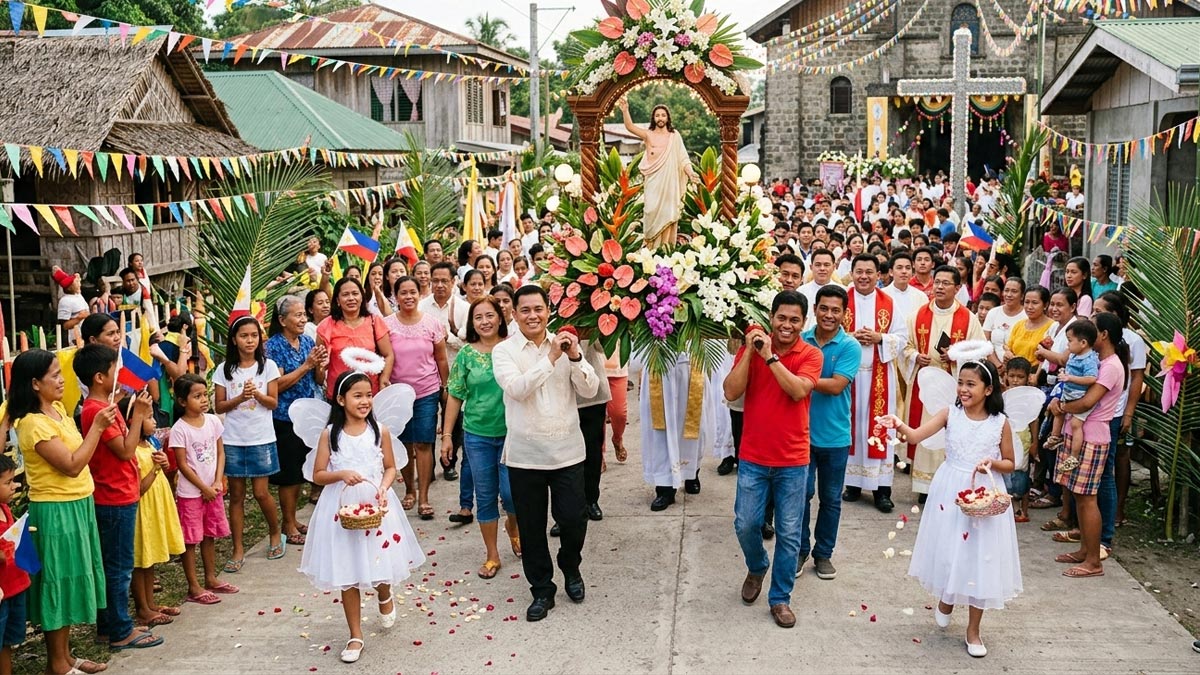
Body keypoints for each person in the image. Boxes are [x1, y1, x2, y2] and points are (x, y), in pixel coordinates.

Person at [880, 359, 1021, 658]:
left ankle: (973, 630)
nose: (963, 389)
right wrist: (898, 423)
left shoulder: (1000, 422)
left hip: (983, 491)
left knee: (981, 557)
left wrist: (991, 463)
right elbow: (916, 436)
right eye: (961, 383)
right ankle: (947, 595)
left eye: (971, 384)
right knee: (950, 549)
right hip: (950, 488)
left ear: (988, 389)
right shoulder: (950, 414)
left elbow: (1011, 463)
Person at [9, 349, 125, 674]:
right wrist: (98, 428)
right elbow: (72, 465)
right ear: (34, 384)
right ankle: (57, 663)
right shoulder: (32, 423)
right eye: (55, 375)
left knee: (71, 580)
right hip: (55, 511)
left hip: (78, 504)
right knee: (57, 583)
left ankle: (66, 656)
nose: (62, 381)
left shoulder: (58, 409)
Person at [299, 371, 425, 664]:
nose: (365, 400)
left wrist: (382, 487)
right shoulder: (330, 434)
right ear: (341, 400)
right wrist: (341, 474)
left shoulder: (378, 430)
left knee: (378, 561)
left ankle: (384, 592)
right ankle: (355, 634)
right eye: (358, 395)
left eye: (369, 394)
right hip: (340, 508)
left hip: (376, 503)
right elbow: (317, 474)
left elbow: (391, 467)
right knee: (347, 571)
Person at [492, 285, 599, 622]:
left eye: (538, 309)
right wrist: (550, 357)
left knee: (572, 520)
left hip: (567, 451)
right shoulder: (504, 351)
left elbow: (590, 389)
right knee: (533, 527)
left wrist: (575, 357)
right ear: (514, 313)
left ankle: (571, 567)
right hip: (526, 456)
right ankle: (541, 589)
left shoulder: (565, 344)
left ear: (548, 311)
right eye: (525, 310)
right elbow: (518, 389)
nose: (532, 316)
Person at [722, 290, 823, 628]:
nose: (787, 325)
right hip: (753, 455)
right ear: (771, 317)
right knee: (745, 523)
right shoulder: (751, 351)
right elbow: (731, 391)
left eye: (795, 320)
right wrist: (751, 354)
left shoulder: (811, 353)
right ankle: (756, 565)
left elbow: (797, 391)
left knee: (790, 532)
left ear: (803, 323)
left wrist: (769, 357)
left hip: (793, 459)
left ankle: (780, 598)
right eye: (782, 318)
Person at [74, 344, 158, 651]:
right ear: (99, 377)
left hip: (119, 494)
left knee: (113, 564)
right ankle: (120, 629)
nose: (120, 375)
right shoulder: (95, 411)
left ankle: (109, 626)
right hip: (114, 497)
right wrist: (137, 417)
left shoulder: (101, 406)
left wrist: (124, 404)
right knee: (119, 567)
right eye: (114, 370)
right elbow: (125, 450)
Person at [442, 296, 520, 578]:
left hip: (513, 434)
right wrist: (447, 435)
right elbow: (455, 395)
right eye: (478, 317)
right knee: (485, 496)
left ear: (500, 317)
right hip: (477, 436)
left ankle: (514, 526)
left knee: (512, 495)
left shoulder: (513, 349)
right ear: (471, 322)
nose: (485, 321)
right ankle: (492, 555)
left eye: (490, 315)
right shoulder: (466, 355)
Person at [1050, 312, 1126, 578]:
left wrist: (1060, 407)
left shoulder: (1112, 366)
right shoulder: (1095, 360)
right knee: (1079, 495)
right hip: (1078, 431)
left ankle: (1093, 561)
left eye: (1093, 328)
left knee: (1087, 498)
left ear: (1103, 335)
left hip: (1092, 437)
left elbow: (1086, 402)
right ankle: (1085, 550)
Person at [905, 266, 985, 498]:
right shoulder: (918, 314)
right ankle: (924, 487)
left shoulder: (967, 319)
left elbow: (978, 351)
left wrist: (956, 355)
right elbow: (906, 346)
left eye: (945, 283)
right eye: (936, 282)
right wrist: (915, 356)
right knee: (926, 431)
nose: (939, 287)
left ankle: (949, 483)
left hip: (954, 385)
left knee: (951, 432)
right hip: (924, 383)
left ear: (957, 288)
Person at [798, 285, 861, 580]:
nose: (829, 315)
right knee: (800, 495)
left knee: (831, 499)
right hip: (800, 434)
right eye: (824, 308)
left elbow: (837, 386)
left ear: (844, 314)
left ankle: (823, 554)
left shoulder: (849, 346)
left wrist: (803, 380)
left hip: (835, 436)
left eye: (836, 310)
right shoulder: (801, 340)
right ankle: (799, 551)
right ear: (815, 309)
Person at [212, 316, 284, 568]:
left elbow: (273, 402)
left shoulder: (269, 367)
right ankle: (238, 548)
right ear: (234, 340)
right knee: (237, 496)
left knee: (262, 492)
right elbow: (219, 405)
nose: (250, 340)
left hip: (261, 437)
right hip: (233, 438)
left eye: (254, 335)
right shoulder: (224, 370)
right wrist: (240, 397)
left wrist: (258, 396)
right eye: (244, 336)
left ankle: (276, 532)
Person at [842, 255, 908, 513]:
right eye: (859, 271)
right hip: (849, 376)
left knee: (879, 429)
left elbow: (902, 337)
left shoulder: (888, 303)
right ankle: (853, 484)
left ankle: (882, 490)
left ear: (878, 274)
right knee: (852, 429)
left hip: (879, 376)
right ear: (852, 273)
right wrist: (850, 336)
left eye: (869, 272)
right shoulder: (842, 299)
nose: (864, 276)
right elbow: (826, 329)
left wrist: (880, 337)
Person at [381, 277, 449, 520]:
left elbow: (441, 358)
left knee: (423, 443)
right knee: (405, 444)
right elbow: (383, 356)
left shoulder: (432, 323)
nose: (408, 297)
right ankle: (409, 489)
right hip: (397, 395)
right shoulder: (385, 324)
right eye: (403, 293)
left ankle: (424, 497)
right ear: (395, 296)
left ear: (420, 294)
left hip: (426, 391)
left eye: (413, 292)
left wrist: (445, 387)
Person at [266, 296, 327, 546]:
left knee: (302, 472)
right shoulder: (273, 347)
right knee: (289, 475)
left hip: (308, 414)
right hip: (285, 417)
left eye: (304, 314)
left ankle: (291, 519)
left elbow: (318, 380)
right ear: (282, 320)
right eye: (297, 315)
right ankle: (288, 524)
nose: (303, 319)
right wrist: (307, 365)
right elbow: (276, 385)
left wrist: (320, 364)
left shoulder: (307, 341)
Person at [170, 374, 234, 605]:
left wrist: (217, 481)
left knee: (209, 535)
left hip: (212, 490)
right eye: (197, 396)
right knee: (190, 539)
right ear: (182, 401)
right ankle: (193, 585)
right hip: (191, 494)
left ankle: (210, 577)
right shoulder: (179, 429)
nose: (204, 400)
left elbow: (220, 453)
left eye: (205, 394)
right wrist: (203, 488)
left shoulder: (213, 421)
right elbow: (182, 464)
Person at [128, 396, 184, 629]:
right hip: (143, 509)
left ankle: (151, 604)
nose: (154, 422)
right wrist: (155, 469)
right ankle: (142, 608)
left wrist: (164, 465)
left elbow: (165, 470)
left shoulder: (149, 443)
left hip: (156, 506)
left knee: (149, 559)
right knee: (140, 560)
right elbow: (138, 487)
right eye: (149, 417)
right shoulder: (130, 449)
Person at [617, 98, 698, 249]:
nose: (660, 118)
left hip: (670, 184)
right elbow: (629, 127)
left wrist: (691, 173)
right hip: (653, 182)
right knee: (650, 211)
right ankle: (650, 250)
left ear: (668, 118)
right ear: (653, 118)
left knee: (668, 213)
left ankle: (666, 250)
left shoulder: (675, 136)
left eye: (663, 115)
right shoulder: (648, 135)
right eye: (657, 115)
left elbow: (683, 158)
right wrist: (625, 110)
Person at [420, 262, 467, 480]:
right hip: (428, 375)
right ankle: (426, 467)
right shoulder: (421, 308)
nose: (439, 285)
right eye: (435, 281)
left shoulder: (464, 309)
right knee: (428, 423)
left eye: (444, 281)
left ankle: (449, 464)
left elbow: (471, 344)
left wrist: (451, 338)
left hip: (457, 374)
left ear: (453, 282)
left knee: (454, 422)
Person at [317, 278, 394, 398]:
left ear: (362, 296)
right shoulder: (326, 325)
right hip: (339, 395)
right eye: (345, 295)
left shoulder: (375, 321)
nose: (351, 298)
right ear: (337, 300)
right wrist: (321, 366)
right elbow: (320, 363)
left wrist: (384, 378)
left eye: (355, 293)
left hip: (369, 395)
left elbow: (388, 354)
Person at [1045, 320, 1100, 473]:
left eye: (1070, 341)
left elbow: (1091, 378)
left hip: (1079, 395)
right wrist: (1064, 374)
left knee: (1076, 425)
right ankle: (1056, 437)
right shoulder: (1075, 355)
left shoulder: (1089, 359)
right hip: (1068, 393)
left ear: (1083, 342)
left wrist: (1070, 378)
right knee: (1057, 412)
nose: (1067, 344)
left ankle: (1074, 457)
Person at [0, 454, 30, 674]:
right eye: (8, 482)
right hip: (2, 592)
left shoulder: (5, 509)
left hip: (16, 585)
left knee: (9, 639)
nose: (15, 486)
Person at [1003, 356, 1035, 522]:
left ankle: (1023, 509)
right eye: (1012, 376)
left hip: (1023, 439)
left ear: (1028, 378)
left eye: (1020, 377)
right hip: (1006, 439)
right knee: (1007, 474)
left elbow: (1034, 420)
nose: (1015, 380)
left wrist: (1035, 442)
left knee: (1022, 474)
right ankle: (1007, 508)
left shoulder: (1030, 397)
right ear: (1006, 376)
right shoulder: (1003, 395)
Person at [1004, 286, 1055, 368]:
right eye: (1027, 302)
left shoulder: (1052, 327)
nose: (1029, 307)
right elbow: (1009, 347)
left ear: (1045, 305)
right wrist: (1008, 354)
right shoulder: (1019, 325)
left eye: (1034, 303)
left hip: (1037, 374)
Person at [984, 277, 1026, 365]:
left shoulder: (1027, 315)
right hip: (993, 366)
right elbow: (985, 342)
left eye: (1014, 291)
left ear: (1022, 296)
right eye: (1006, 290)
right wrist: (998, 366)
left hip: (1018, 368)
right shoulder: (993, 312)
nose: (1009, 294)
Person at [52, 266, 89, 331]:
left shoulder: (78, 295)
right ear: (71, 287)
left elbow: (78, 278)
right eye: (77, 282)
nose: (80, 284)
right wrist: (79, 318)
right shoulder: (65, 301)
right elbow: (64, 326)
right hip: (73, 337)